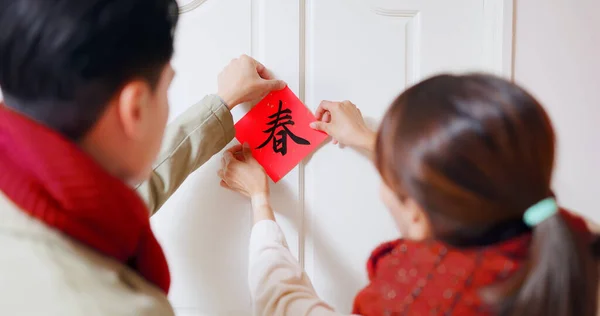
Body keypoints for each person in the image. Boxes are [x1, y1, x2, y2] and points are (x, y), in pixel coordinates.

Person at [219, 73, 600, 315]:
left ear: (416, 216)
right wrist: (372, 140)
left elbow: (286, 306)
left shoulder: (408, 300)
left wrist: (260, 199)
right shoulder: (575, 240)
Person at [0, 0, 284, 315]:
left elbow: (115, 199)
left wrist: (222, 104)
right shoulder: (123, 308)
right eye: (167, 88)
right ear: (135, 108)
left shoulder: (42, 201)